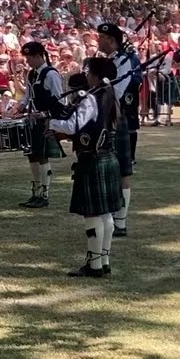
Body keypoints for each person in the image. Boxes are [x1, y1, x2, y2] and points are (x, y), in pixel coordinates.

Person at [48, 60, 124, 278]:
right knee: (106, 214)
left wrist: (52, 123)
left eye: (89, 71)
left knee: (92, 214)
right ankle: (104, 261)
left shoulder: (91, 97)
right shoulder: (110, 93)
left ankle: (94, 265)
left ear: (96, 75)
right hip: (108, 156)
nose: (86, 75)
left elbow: (73, 126)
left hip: (92, 159)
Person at [97, 23, 138, 238]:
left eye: (102, 37)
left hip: (115, 116)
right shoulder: (104, 60)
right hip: (100, 117)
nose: (98, 40)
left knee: (122, 169)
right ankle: (110, 214)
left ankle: (121, 221)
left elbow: (118, 91)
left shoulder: (123, 61)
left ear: (112, 40)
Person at [15, 41, 65, 208]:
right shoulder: (32, 74)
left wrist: (45, 114)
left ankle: (44, 194)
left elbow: (60, 99)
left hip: (45, 120)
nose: (27, 61)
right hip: (33, 120)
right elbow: (28, 95)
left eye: (29, 58)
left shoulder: (50, 74)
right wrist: (22, 105)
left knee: (42, 156)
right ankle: (36, 192)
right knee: (32, 154)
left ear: (38, 56)